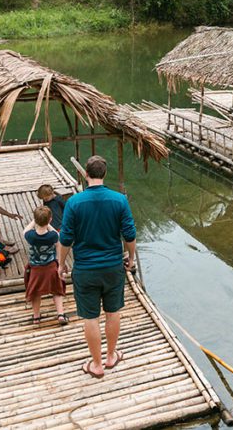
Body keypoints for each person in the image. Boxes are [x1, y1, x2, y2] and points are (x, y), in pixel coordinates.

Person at [57, 155, 137, 379]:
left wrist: (61, 264)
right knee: (113, 312)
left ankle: (97, 364)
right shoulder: (119, 200)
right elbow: (130, 235)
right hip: (113, 267)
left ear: (85, 174)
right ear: (104, 174)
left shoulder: (74, 202)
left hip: (85, 269)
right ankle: (112, 356)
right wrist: (130, 259)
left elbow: (65, 239)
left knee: (90, 318)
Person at [23, 205, 67, 325]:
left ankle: (36, 317)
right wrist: (47, 223)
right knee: (56, 290)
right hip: (51, 266)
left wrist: (34, 221)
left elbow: (25, 231)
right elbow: (57, 239)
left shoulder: (30, 236)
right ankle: (60, 314)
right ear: (50, 220)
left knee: (36, 293)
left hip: (35, 269)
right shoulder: (53, 236)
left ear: (35, 220)